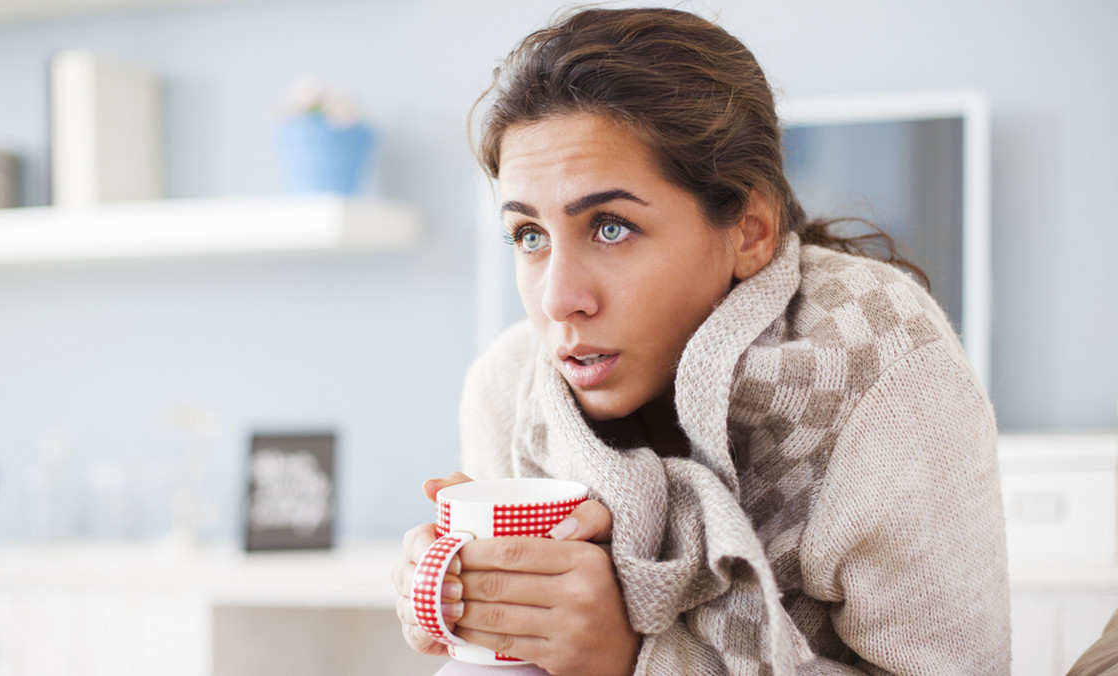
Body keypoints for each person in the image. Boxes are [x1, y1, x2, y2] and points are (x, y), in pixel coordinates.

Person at [393, 7, 1010, 675]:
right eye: (530, 236)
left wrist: (633, 659)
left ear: (749, 230)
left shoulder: (879, 363)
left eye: (610, 227)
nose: (557, 299)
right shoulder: (510, 389)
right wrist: (457, 599)